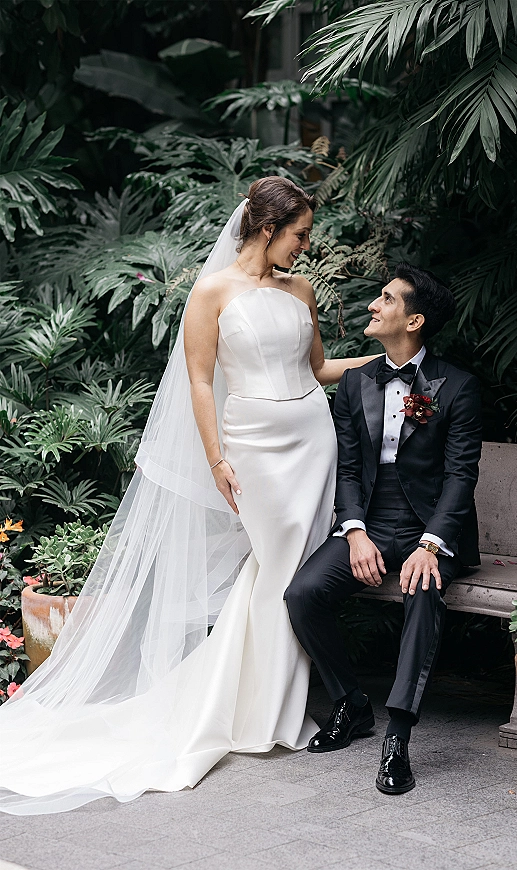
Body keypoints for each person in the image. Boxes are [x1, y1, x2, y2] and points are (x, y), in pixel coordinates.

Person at [0, 177, 376, 816]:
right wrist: (217, 460)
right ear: (266, 230)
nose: (306, 248)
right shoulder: (212, 293)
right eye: (299, 235)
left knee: (287, 576)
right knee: (274, 574)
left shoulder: (300, 290)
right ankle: (250, 708)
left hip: (314, 442)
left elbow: (318, 370)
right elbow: (200, 383)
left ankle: (274, 707)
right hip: (254, 450)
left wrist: (389, 359)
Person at [285, 263, 483, 794]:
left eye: (387, 299)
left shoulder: (457, 386)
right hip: (369, 524)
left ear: (414, 319)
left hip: (430, 527)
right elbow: (348, 467)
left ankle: (398, 734)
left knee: (423, 591)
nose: (374, 304)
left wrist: (431, 544)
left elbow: (462, 477)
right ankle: (351, 704)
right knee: (302, 593)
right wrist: (353, 533)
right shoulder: (354, 383)